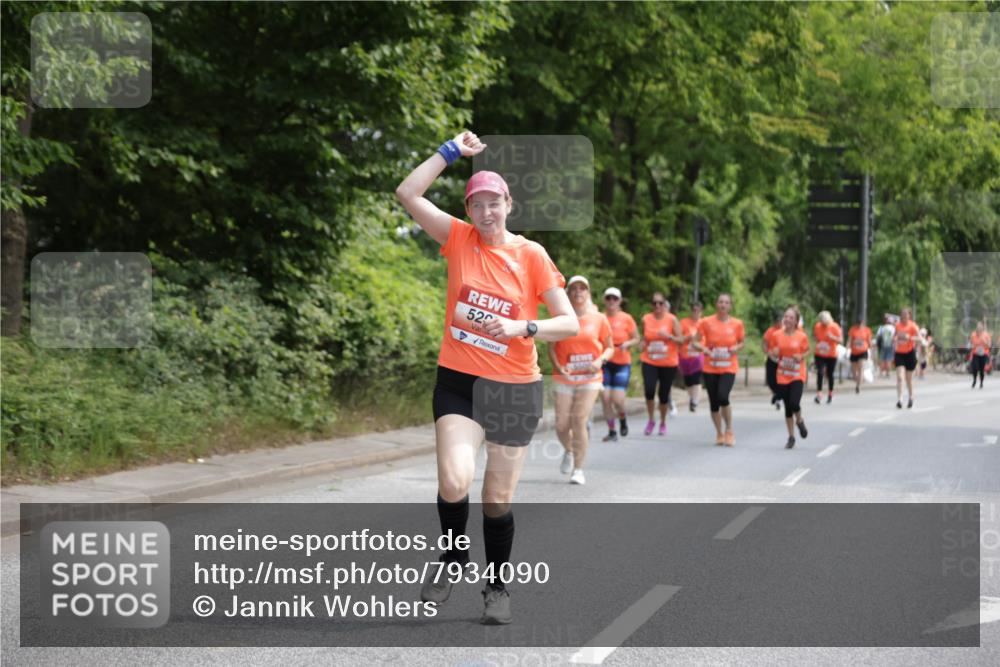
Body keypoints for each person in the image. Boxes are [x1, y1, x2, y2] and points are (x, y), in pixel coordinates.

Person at [396, 131, 578, 625]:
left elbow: (570, 322)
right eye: (476, 204)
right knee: (455, 481)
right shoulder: (457, 239)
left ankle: (496, 586)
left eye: (494, 203)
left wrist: (524, 326)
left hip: (515, 390)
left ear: (509, 205)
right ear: (468, 210)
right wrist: (449, 151)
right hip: (459, 381)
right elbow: (408, 194)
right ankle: (454, 557)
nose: (486, 213)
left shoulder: (532, 255)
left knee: (497, 498)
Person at [550, 276, 613, 485]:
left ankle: (578, 469)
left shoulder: (599, 319)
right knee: (561, 425)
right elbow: (551, 348)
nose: (578, 291)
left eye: (582, 288)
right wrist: (560, 368)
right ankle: (569, 450)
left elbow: (610, 347)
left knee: (578, 419)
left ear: (588, 292)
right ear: (567, 293)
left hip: (591, 377)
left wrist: (600, 360)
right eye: (574, 288)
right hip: (565, 376)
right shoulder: (560, 317)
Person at [692, 294, 746, 446]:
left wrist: (736, 347)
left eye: (726, 302)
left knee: (723, 397)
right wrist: (705, 349)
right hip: (711, 367)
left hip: (729, 366)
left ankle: (729, 430)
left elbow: (742, 342)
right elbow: (695, 342)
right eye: (721, 302)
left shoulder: (737, 324)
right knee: (714, 403)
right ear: (716, 304)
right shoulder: (706, 322)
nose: (723, 305)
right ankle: (719, 433)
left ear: (730, 306)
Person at [639, 293, 684, 436]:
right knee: (649, 391)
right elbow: (644, 338)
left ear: (665, 304)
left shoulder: (672, 319)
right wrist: (641, 344)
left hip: (668, 362)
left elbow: (681, 340)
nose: (657, 306)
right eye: (654, 303)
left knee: (663, 395)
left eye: (660, 303)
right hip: (649, 360)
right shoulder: (646, 319)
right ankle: (651, 419)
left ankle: (663, 421)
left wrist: (669, 336)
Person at [600, 287, 639, 442]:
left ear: (619, 301)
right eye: (608, 298)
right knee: (605, 398)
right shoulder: (600, 318)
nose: (611, 302)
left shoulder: (627, 318)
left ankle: (622, 417)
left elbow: (637, 338)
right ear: (604, 300)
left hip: (622, 362)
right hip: (605, 362)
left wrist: (627, 343)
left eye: (614, 299)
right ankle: (612, 431)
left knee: (617, 400)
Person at [769, 306, 810, 449]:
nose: (787, 319)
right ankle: (791, 437)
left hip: (797, 374)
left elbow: (807, 351)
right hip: (783, 375)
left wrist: (801, 356)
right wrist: (773, 353)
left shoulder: (801, 336)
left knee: (794, 403)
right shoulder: (776, 335)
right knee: (787, 407)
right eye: (786, 316)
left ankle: (799, 420)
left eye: (791, 317)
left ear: (796, 321)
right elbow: (772, 353)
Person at [678, 301, 705, 412]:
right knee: (688, 381)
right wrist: (687, 337)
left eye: (698, 310)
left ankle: (695, 401)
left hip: (698, 355)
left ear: (701, 312)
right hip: (684, 355)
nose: (695, 312)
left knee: (696, 379)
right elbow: (678, 338)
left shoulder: (704, 323)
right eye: (694, 310)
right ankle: (692, 398)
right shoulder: (684, 322)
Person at [812, 311, 842, 404]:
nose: (823, 324)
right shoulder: (817, 326)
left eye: (825, 322)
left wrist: (832, 337)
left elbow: (840, 340)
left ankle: (830, 393)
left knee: (830, 374)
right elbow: (814, 337)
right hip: (820, 353)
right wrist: (816, 339)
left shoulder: (835, 326)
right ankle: (819, 394)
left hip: (831, 354)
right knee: (820, 372)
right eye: (821, 321)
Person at [893, 308, 920, 409]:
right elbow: (895, 337)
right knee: (900, 377)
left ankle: (911, 397)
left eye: (906, 314)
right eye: (902, 314)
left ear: (909, 315)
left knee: (909, 379)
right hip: (899, 353)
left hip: (909, 353)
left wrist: (910, 337)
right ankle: (900, 399)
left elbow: (920, 338)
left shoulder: (913, 326)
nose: (904, 316)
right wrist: (895, 338)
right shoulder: (897, 326)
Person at [763, 312, 783, 410]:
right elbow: (765, 343)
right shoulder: (770, 331)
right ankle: (777, 394)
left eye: (781, 321)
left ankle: (778, 397)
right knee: (770, 380)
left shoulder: (786, 331)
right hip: (772, 358)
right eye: (777, 321)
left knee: (781, 380)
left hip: (783, 360)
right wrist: (767, 352)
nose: (779, 323)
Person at [847, 317, 873, 394]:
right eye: (858, 323)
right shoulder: (853, 329)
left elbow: (869, 341)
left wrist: (870, 350)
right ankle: (858, 380)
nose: (859, 324)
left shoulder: (867, 330)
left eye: (861, 323)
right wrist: (847, 348)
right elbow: (850, 340)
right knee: (854, 370)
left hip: (863, 351)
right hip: (854, 352)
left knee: (861, 368)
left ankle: (858, 386)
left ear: (863, 323)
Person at [969, 321, 992, 389]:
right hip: (975, 353)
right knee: (975, 368)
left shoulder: (986, 335)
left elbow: (989, 345)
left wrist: (984, 341)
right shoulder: (973, 334)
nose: (979, 327)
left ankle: (981, 382)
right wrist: (972, 346)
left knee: (981, 369)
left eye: (980, 326)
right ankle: (974, 380)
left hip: (983, 353)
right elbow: (970, 343)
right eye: (978, 326)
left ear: (982, 327)